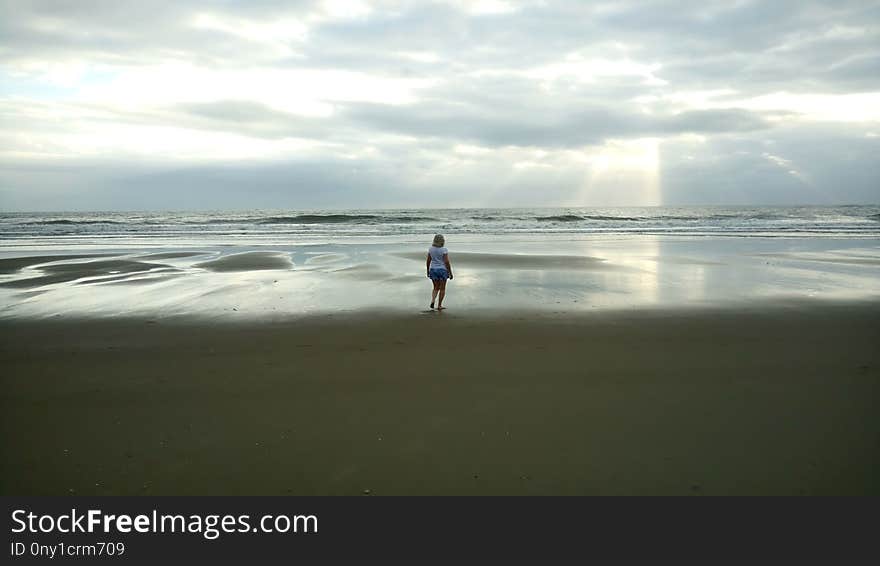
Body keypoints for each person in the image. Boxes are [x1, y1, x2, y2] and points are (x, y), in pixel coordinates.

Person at [426, 234, 453, 310]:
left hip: (433, 269)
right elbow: (446, 262)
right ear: (442, 241)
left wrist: (428, 270)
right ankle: (439, 305)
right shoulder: (444, 249)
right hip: (442, 270)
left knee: (435, 287)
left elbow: (428, 261)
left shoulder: (431, 249)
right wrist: (450, 272)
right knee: (442, 288)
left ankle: (432, 300)